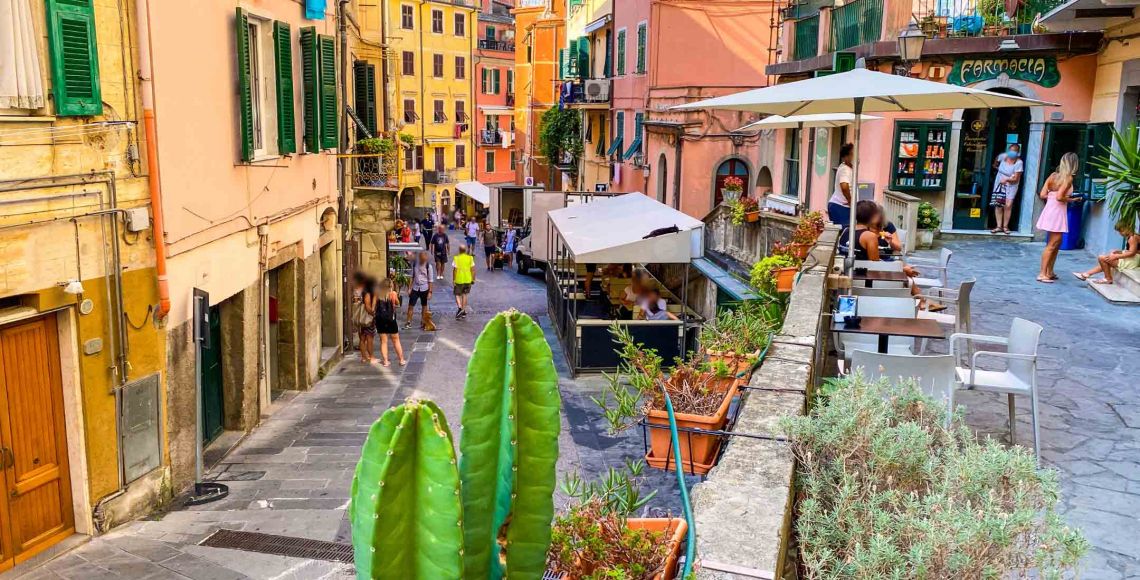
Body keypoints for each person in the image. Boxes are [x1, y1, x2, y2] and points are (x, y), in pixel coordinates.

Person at [1036, 152, 1079, 283]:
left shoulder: (1053, 176)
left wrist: (1052, 195)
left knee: (1056, 242)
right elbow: (1060, 197)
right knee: (1053, 243)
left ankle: (1049, 271)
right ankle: (1042, 273)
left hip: (1050, 209)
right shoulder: (1068, 178)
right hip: (1058, 211)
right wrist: (1072, 199)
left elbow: (1043, 194)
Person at [1075, 219, 1140, 285]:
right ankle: (1086, 274)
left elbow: (1132, 253)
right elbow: (1134, 250)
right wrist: (1119, 252)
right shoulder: (1134, 236)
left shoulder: (1132, 238)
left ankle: (1108, 278)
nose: (1120, 233)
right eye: (1119, 231)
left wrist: (1116, 256)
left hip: (1132, 261)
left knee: (1102, 258)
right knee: (1106, 260)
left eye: (1121, 231)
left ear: (1128, 227)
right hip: (1133, 259)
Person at [991, 144, 1023, 234]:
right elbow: (995, 163)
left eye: (1014, 151)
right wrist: (997, 168)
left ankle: (1005, 226)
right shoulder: (1002, 156)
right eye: (1011, 150)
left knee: (1008, 205)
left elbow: (1016, 178)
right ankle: (998, 226)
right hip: (999, 183)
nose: (1012, 153)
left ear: (1018, 153)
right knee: (998, 204)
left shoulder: (1019, 163)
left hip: (1011, 185)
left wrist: (1007, 179)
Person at [373, 278, 406, 366]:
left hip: (380, 320)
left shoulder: (377, 294)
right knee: (396, 340)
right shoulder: (393, 294)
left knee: (383, 341)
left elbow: (373, 308)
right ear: (390, 286)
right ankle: (401, 359)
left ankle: (386, 361)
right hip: (391, 319)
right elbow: (398, 303)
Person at [405, 251, 434, 329]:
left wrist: (430, 292)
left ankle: (423, 321)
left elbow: (430, 280)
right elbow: (412, 277)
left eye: (424, 259)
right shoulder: (415, 264)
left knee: (424, 306)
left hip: (424, 288)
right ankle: (408, 322)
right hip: (415, 287)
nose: (422, 260)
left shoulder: (428, 266)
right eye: (421, 258)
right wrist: (409, 288)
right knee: (410, 306)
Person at [828, 143, 855, 226]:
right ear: (846, 157)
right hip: (840, 206)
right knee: (845, 232)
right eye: (853, 154)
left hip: (842, 206)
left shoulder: (849, 168)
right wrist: (851, 201)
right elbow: (844, 186)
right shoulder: (845, 169)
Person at [351, 273, 375, 363]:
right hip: (366, 317)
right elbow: (367, 306)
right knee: (369, 337)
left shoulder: (356, 290)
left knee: (362, 338)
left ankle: (363, 357)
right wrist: (373, 314)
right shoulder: (367, 292)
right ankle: (371, 357)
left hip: (359, 317)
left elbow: (356, 302)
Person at [452, 244, 476, 319]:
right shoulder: (470, 258)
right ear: (465, 250)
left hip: (459, 279)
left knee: (457, 294)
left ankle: (459, 307)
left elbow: (455, 270)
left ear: (459, 250)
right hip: (468, 279)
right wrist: (473, 279)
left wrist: (454, 279)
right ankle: (463, 310)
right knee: (464, 294)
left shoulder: (456, 258)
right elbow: (473, 269)